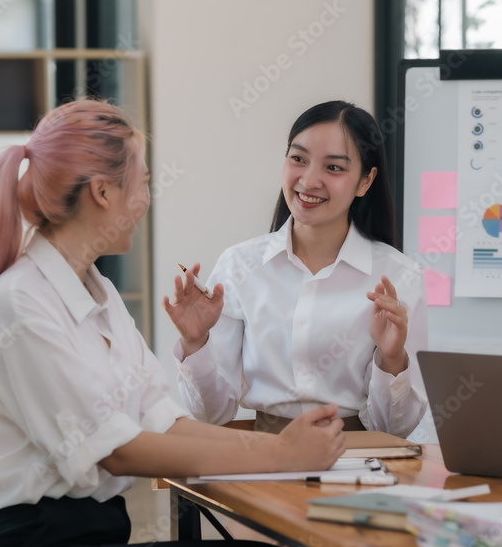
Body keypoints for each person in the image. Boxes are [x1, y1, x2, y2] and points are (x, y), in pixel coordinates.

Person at [0, 99, 345, 547]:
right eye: (142, 182)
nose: (147, 197)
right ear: (102, 192)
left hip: (81, 542)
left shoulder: (97, 291)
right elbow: (118, 451)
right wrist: (279, 456)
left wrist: (282, 448)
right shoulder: (20, 304)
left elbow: (162, 417)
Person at [164, 100, 428, 437]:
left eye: (334, 168)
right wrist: (195, 342)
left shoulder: (400, 277)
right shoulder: (240, 265)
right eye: (298, 159)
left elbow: (394, 429)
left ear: (365, 181)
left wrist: (392, 360)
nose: (309, 180)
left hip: (358, 462)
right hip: (263, 461)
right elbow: (211, 414)